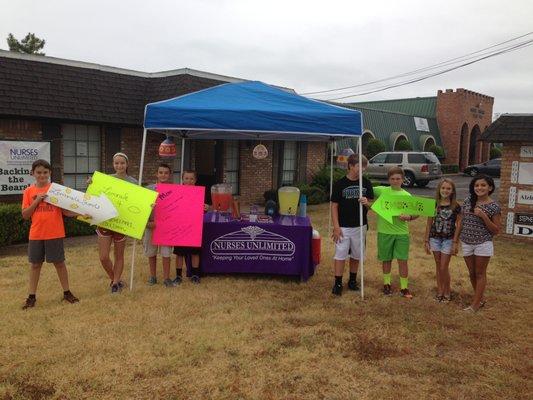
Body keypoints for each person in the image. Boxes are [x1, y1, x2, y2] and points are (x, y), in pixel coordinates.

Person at [21, 159, 81, 309]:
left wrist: (84, 212)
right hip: (36, 234)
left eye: (45, 172)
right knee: (35, 265)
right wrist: (37, 201)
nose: (42, 175)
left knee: (59, 263)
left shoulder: (56, 190)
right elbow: (25, 215)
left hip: (55, 233)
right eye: (39, 172)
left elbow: (66, 211)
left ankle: (67, 292)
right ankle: (31, 296)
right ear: (33, 173)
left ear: (50, 173)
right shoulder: (28, 191)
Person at [90, 152, 138, 294]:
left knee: (119, 255)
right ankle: (114, 278)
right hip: (105, 222)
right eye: (116, 163)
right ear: (113, 164)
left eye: (122, 163)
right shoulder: (106, 179)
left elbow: (138, 203)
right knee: (103, 257)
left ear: (127, 164)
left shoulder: (133, 182)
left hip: (122, 223)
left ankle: (115, 283)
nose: (119, 165)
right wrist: (92, 184)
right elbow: (95, 195)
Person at [330, 154, 374, 296]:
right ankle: (337, 282)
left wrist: (367, 203)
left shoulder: (366, 183)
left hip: (360, 226)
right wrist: (336, 226)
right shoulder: (340, 184)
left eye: (364, 168)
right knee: (340, 253)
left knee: (356, 254)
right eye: (360, 167)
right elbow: (334, 206)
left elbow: (372, 206)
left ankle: (353, 280)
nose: (362, 170)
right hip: (343, 226)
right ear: (350, 166)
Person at [373, 167, 418, 299]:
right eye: (392, 179)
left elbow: (417, 213)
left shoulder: (406, 196)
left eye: (398, 178)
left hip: (401, 233)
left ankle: (404, 287)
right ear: (388, 180)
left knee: (402, 260)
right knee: (386, 259)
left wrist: (409, 217)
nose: (395, 181)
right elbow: (365, 188)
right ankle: (386, 284)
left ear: (402, 180)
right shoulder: (381, 190)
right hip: (384, 231)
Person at [459, 175, 500, 312]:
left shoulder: (493, 206)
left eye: (483, 185)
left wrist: (483, 216)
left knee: (480, 273)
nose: (479, 188)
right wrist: (455, 240)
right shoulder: (468, 201)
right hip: (466, 241)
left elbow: (496, 230)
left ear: (490, 188)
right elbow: (461, 221)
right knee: (471, 273)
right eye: (477, 185)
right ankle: (480, 299)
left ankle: (475, 305)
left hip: (483, 243)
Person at [424, 178, 462, 302]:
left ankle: (447, 291)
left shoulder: (456, 206)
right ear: (439, 189)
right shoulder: (434, 204)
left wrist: (455, 242)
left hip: (448, 239)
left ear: (452, 191)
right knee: (438, 265)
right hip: (435, 238)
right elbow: (429, 223)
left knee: (443, 267)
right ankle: (440, 291)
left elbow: (459, 224)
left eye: (448, 188)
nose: (445, 190)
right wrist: (426, 240)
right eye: (443, 188)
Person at [173, 170, 208, 284]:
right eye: (186, 178)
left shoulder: (200, 193)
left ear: (195, 180)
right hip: (180, 227)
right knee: (179, 253)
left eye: (191, 179)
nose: (189, 181)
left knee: (194, 253)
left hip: (194, 227)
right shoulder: (177, 192)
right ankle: (178, 276)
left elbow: (206, 208)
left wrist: (207, 207)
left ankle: (195, 275)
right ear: (182, 179)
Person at [144, 163, 175, 287]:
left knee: (166, 253)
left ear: (170, 175)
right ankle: (153, 276)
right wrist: (147, 223)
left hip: (166, 227)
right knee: (151, 252)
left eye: (166, 173)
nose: (163, 175)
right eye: (161, 172)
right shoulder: (148, 189)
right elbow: (141, 208)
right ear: (156, 174)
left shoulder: (175, 190)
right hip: (151, 225)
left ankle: (167, 278)